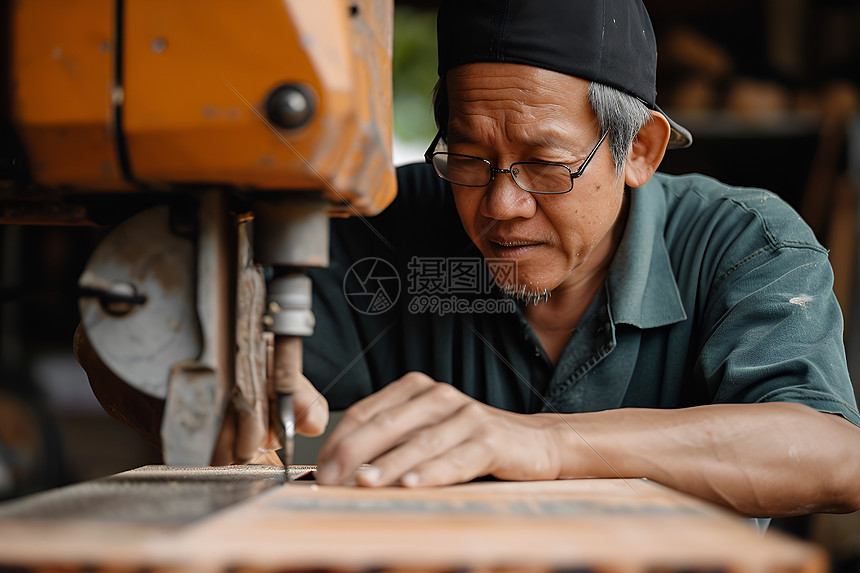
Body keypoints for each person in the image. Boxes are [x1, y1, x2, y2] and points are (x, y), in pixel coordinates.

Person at [78, 0, 860, 519]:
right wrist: (182, 384)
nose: (500, 205)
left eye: (546, 163)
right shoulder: (388, 224)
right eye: (470, 157)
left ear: (640, 149)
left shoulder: (742, 242)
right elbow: (171, 341)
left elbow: (831, 457)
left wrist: (542, 443)